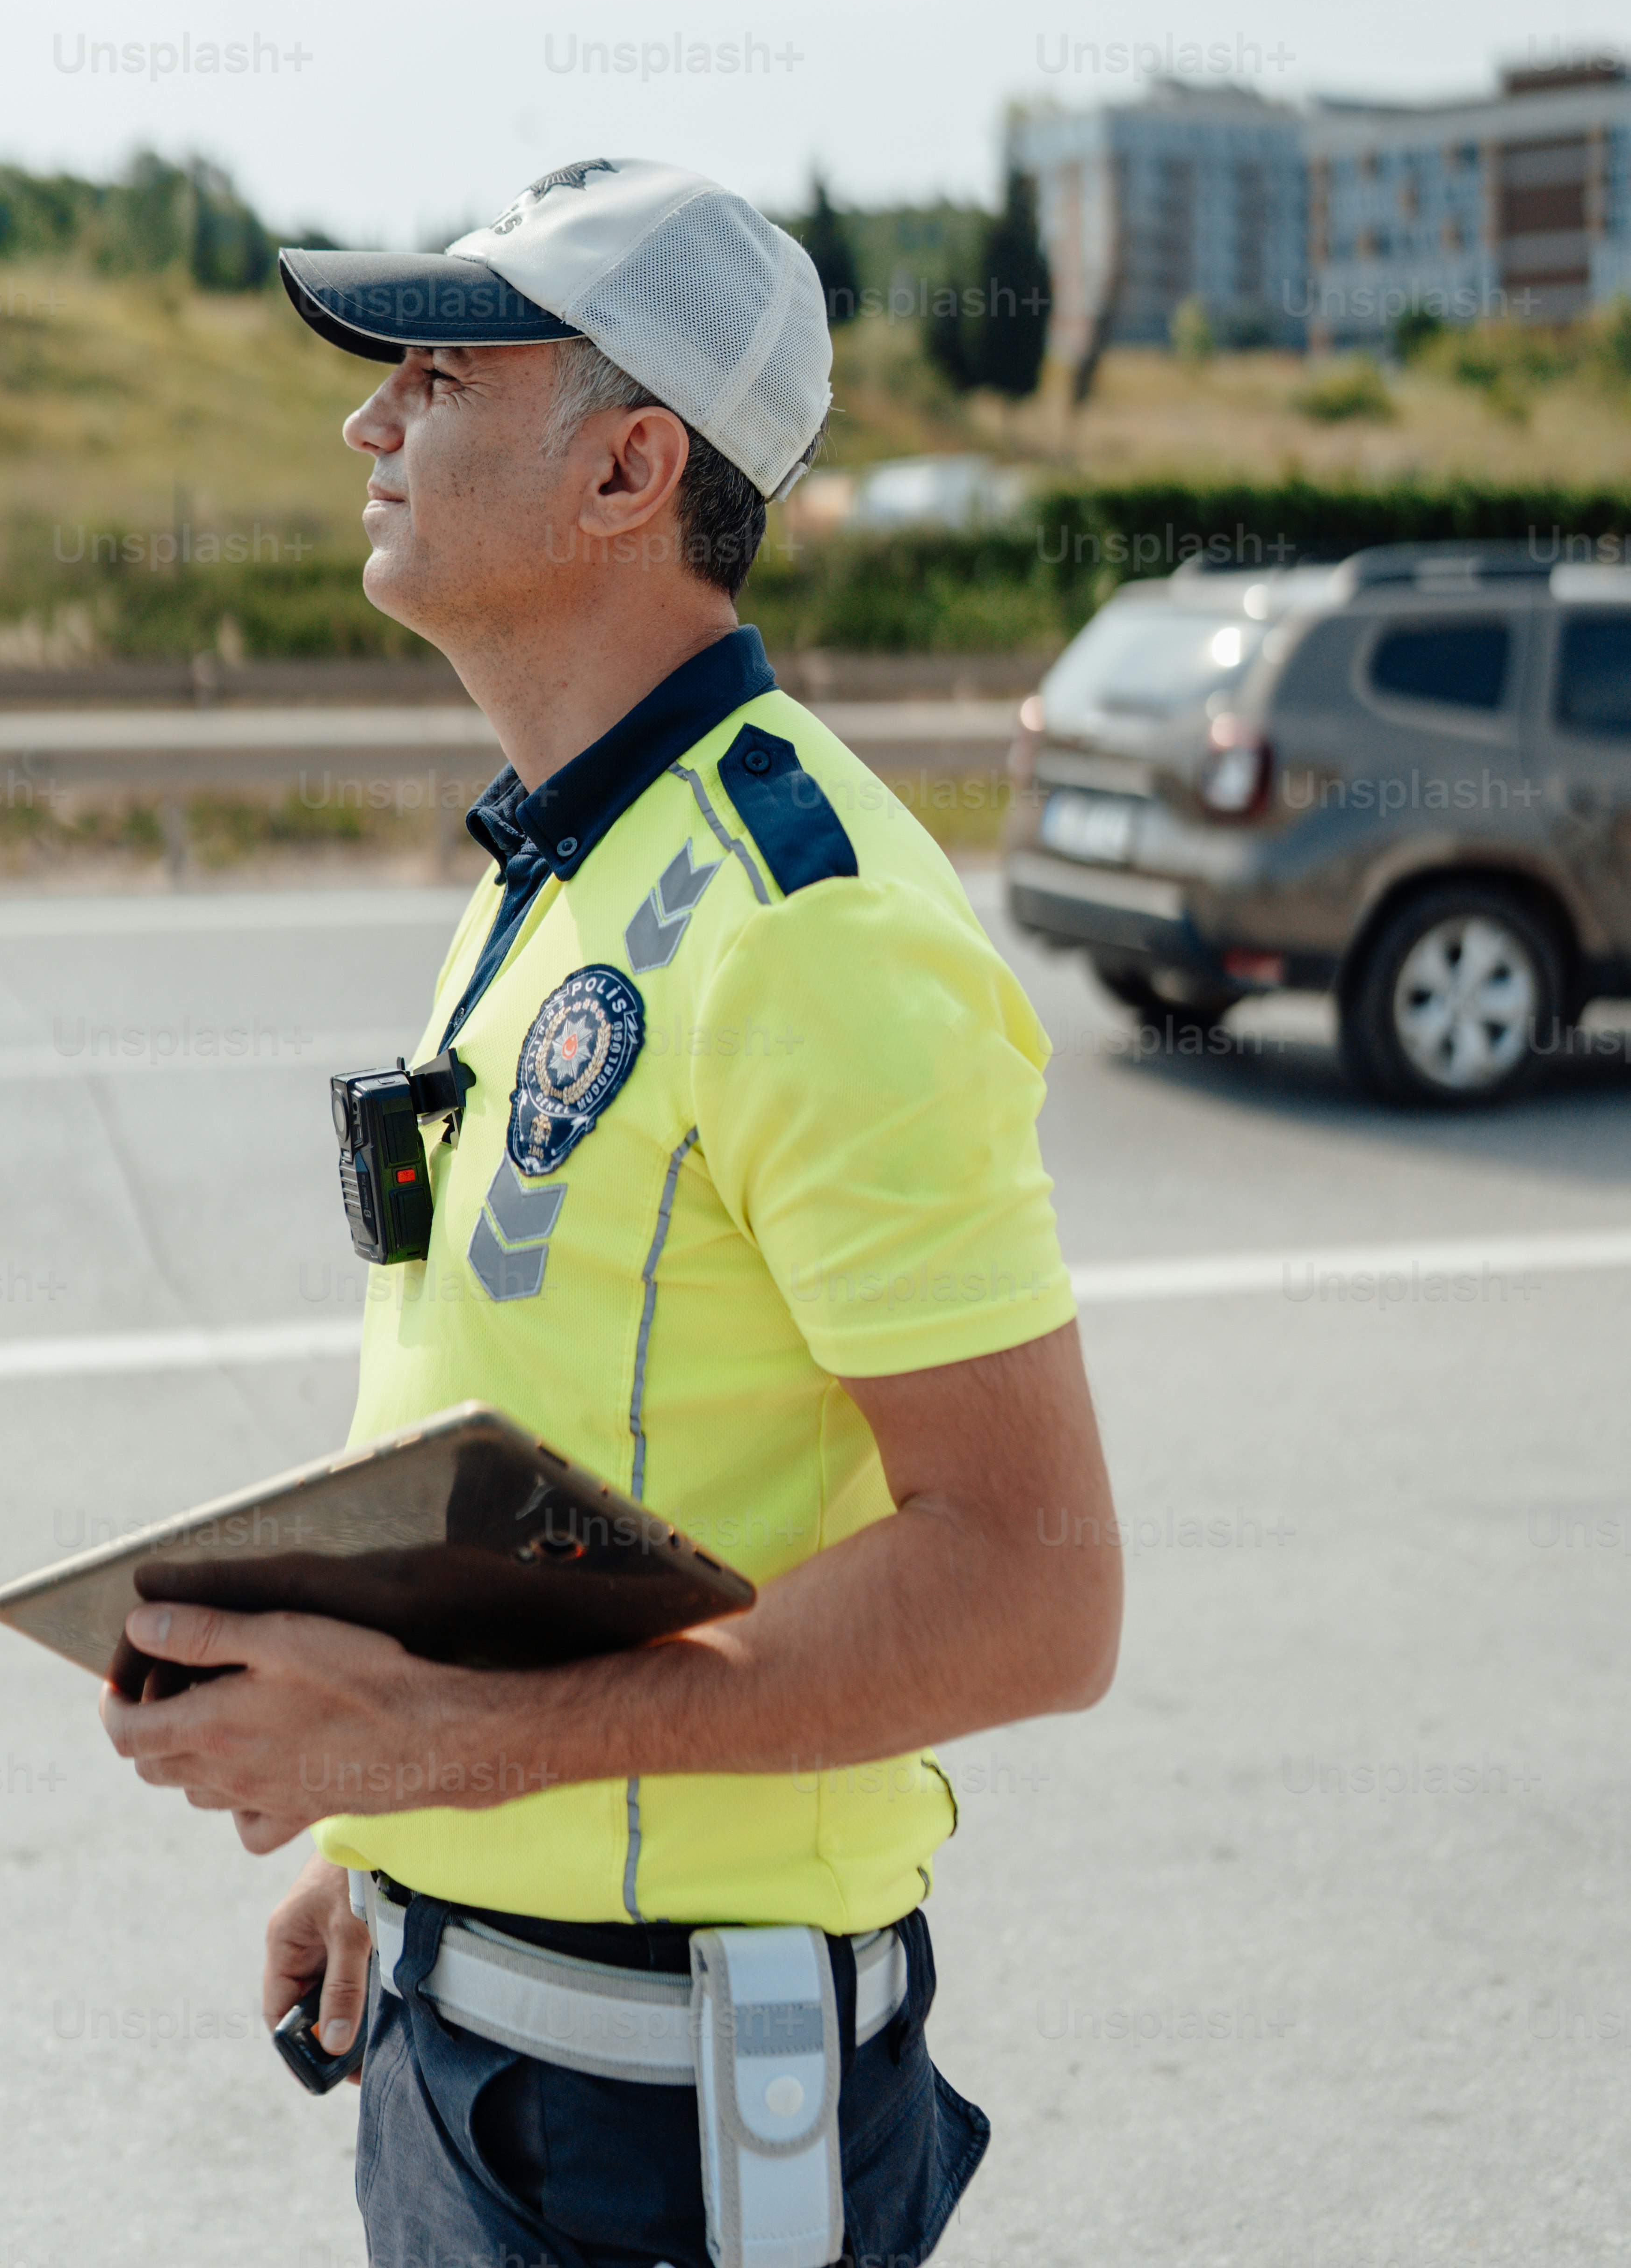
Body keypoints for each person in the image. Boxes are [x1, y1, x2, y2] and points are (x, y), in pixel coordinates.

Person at [101, 158, 1122, 2268]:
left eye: (439, 373)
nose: (368, 420)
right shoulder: (556, 864)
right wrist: (392, 1851)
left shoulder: (806, 925)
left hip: (676, 2126)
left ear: (628, 467)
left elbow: (1034, 1589)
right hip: (473, 2038)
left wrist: (442, 1745)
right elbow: (562, 1425)